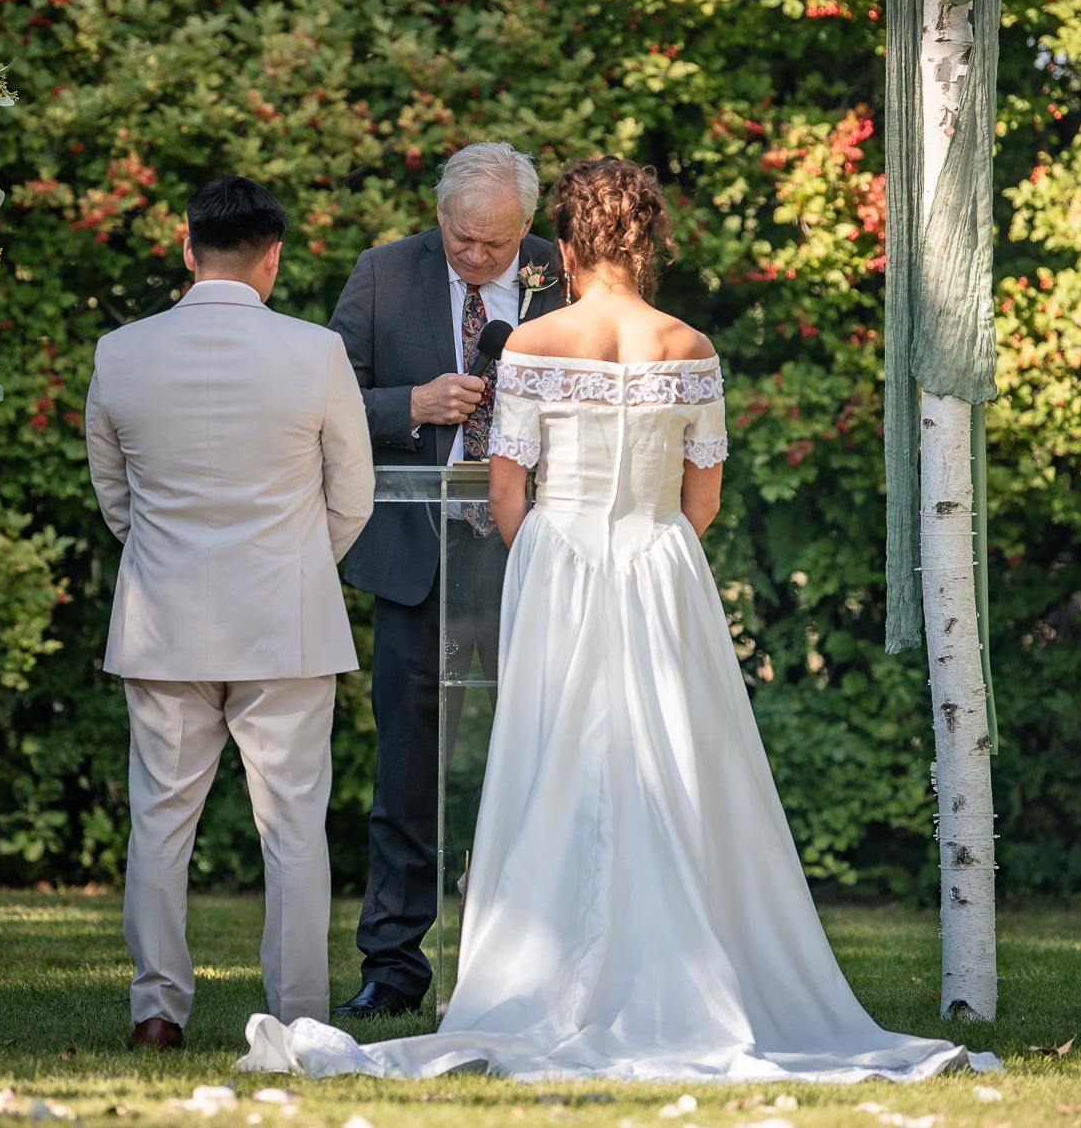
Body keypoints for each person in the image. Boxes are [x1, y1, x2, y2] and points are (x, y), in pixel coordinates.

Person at [240, 157, 990, 1082]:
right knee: (670, 760)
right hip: (659, 570)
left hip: (555, 564)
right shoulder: (692, 345)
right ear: (649, 239)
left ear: (561, 243)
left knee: (552, 763)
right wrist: (644, 548)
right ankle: (673, 965)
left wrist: (553, 558)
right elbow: (701, 499)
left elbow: (508, 493)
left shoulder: (535, 341)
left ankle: (542, 974)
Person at [85, 176, 373, 1050]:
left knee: (159, 823)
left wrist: (169, 556)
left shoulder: (121, 352)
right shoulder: (315, 352)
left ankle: (156, 1012)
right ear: (272, 257)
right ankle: (299, 1015)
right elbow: (353, 495)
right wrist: (294, 565)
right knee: (293, 827)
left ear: (188, 246)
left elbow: (116, 496)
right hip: (286, 623)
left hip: (163, 620)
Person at [327, 140, 566, 1019]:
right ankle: (393, 968)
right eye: (460, 236)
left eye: (494, 244)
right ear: (439, 216)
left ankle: (536, 962)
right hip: (417, 559)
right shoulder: (383, 273)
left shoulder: (565, 276)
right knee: (407, 775)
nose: (473, 254)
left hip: (536, 556)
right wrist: (411, 406)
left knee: (543, 761)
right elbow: (327, 396)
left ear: (527, 227)